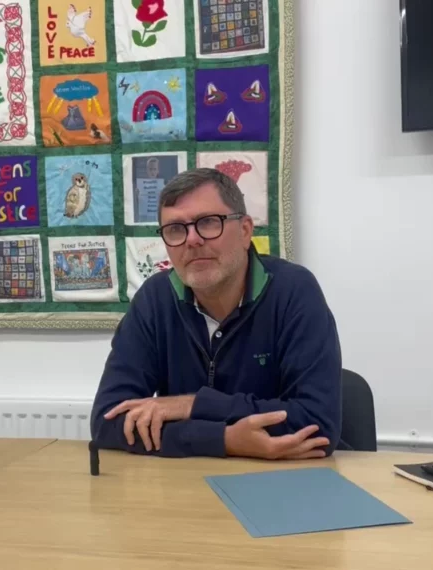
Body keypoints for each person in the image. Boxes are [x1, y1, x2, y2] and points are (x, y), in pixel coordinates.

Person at [89, 168, 343, 459]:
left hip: (284, 484)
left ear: (246, 230)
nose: (192, 240)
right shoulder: (154, 299)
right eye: (175, 229)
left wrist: (194, 405)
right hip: (184, 486)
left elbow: (318, 424)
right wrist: (223, 439)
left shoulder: (294, 292)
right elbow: (108, 423)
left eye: (209, 223)